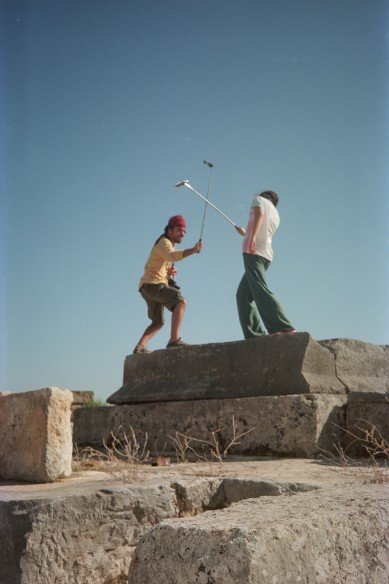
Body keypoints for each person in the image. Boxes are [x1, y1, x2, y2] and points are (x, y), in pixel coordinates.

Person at [133, 215, 202, 354]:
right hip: (152, 285)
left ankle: (140, 347)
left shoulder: (166, 244)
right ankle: (174, 340)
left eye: (184, 231)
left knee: (158, 322)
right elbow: (172, 256)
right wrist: (193, 250)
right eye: (179, 230)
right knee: (181, 302)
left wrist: (168, 273)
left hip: (146, 287)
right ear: (169, 230)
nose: (182, 233)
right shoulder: (164, 242)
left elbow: (162, 264)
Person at [235, 190, 295, 337]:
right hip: (265, 254)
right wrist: (246, 233)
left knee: (259, 289)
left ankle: (282, 326)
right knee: (243, 295)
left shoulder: (259, 200)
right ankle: (255, 335)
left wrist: (252, 237)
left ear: (264, 196)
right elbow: (263, 227)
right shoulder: (276, 213)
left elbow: (260, 215)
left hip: (254, 251)